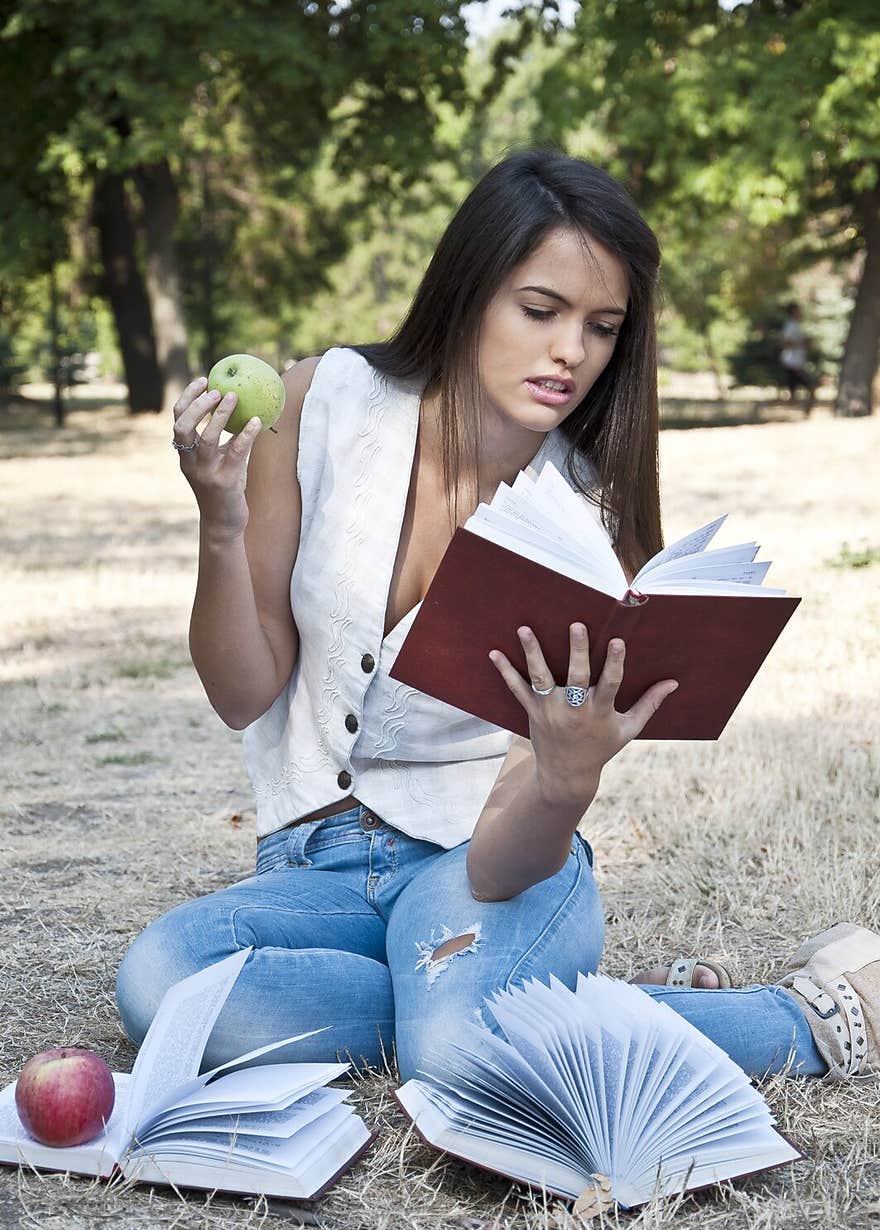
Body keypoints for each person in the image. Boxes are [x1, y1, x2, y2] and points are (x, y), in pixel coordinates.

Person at [115, 148, 877, 1090]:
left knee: (451, 1050)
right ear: (471, 291)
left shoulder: (591, 528)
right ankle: (523, 999)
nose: (571, 352)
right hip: (315, 868)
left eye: (603, 327)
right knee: (162, 983)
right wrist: (221, 522)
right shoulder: (321, 401)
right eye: (540, 309)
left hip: (485, 873)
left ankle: (797, 1018)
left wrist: (565, 779)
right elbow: (243, 693)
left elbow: (508, 857)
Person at [779, 301, 816, 414]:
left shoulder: (796, 325)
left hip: (796, 362)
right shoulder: (790, 326)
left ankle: (800, 412)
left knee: (793, 391)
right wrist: (802, 343)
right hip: (792, 362)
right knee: (810, 385)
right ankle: (803, 412)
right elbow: (785, 343)